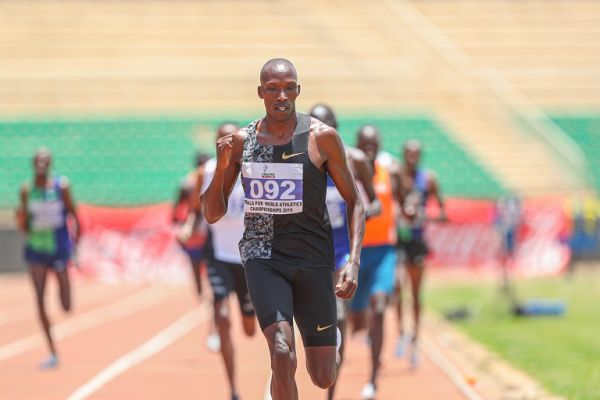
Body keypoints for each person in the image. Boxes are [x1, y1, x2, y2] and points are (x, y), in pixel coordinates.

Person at [202, 58, 365, 400]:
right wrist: (221, 168)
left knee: (322, 376)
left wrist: (352, 261)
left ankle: (324, 344)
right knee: (280, 351)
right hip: (264, 257)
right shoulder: (243, 142)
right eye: (273, 89)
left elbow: (356, 202)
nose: (282, 96)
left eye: (289, 88)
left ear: (298, 91)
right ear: (261, 92)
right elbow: (213, 214)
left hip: (313, 261)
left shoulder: (321, 138)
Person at [308, 104, 380, 400]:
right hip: (308, 249)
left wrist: (358, 213)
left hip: (339, 250)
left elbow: (374, 203)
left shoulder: (356, 159)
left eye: (324, 128)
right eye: (313, 128)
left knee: (337, 315)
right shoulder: (300, 158)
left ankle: (331, 392)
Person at [196, 122, 257, 400]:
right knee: (222, 317)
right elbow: (201, 209)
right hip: (218, 254)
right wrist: (189, 226)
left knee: (249, 329)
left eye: (231, 141)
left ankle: (250, 311)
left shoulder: (255, 169)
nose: (227, 147)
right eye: (221, 141)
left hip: (247, 259)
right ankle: (232, 389)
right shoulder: (207, 171)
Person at [15, 147, 81, 369]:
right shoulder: (27, 190)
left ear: (50, 163)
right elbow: (24, 224)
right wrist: (22, 221)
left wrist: (76, 245)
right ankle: (52, 351)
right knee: (40, 300)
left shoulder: (61, 187)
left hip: (60, 249)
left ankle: (66, 291)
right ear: (33, 164)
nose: (41, 164)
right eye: (38, 160)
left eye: (45, 160)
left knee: (66, 305)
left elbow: (74, 214)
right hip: (36, 250)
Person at [349, 125, 400, 399]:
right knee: (356, 320)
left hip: (383, 252)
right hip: (355, 251)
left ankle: (373, 378)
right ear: (357, 144)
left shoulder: (389, 170)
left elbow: (405, 196)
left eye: (374, 144)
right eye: (364, 144)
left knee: (379, 307)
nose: (369, 149)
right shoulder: (346, 168)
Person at [394, 139, 446, 368]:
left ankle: (415, 335)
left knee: (415, 293)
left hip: (417, 241)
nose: (412, 157)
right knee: (396, 287)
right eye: (409, 153)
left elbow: (443, 214)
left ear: (421, 155)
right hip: (398, 240)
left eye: (416, 154)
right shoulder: (396, 177)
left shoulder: (429, 180)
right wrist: (401, 215)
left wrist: (422, 216)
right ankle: (400, 332)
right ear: (404, 154)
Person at [173, 151, 220, 352]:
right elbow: (177, 209)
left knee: (203, 271)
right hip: (198, 234)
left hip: (204, 236)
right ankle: (204, 298)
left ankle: (206, 300)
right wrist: (184, 226)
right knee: (200, 271)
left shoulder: (213, 180)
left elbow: (174, 212)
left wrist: (179, 225)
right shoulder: (189, 184)